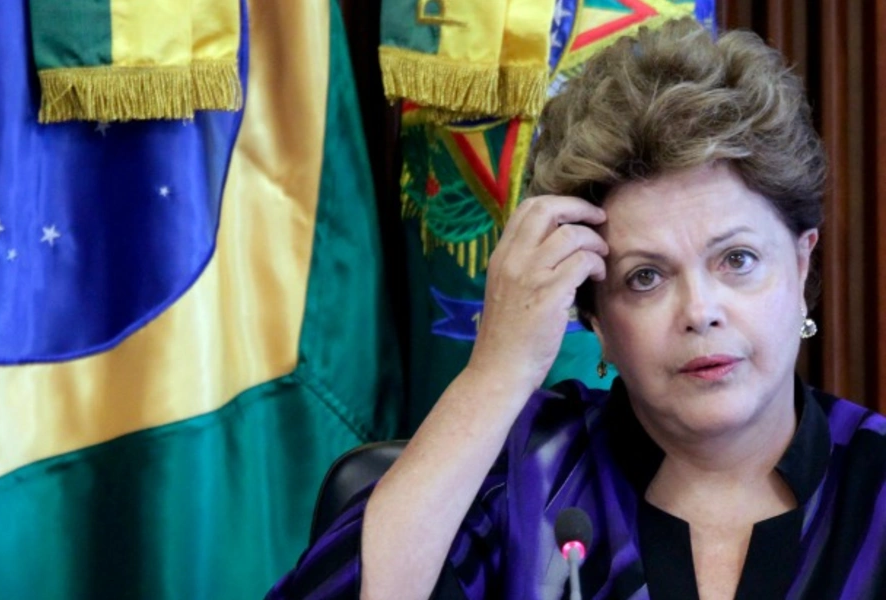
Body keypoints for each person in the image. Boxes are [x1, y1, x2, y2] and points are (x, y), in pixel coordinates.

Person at [268, 18, 886, 600]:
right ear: (595, 319)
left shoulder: (877, 482)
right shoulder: (525, 478)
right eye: (645, 277)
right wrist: (496, 374)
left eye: (738, 260)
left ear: (801, 265)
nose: (700, 311)